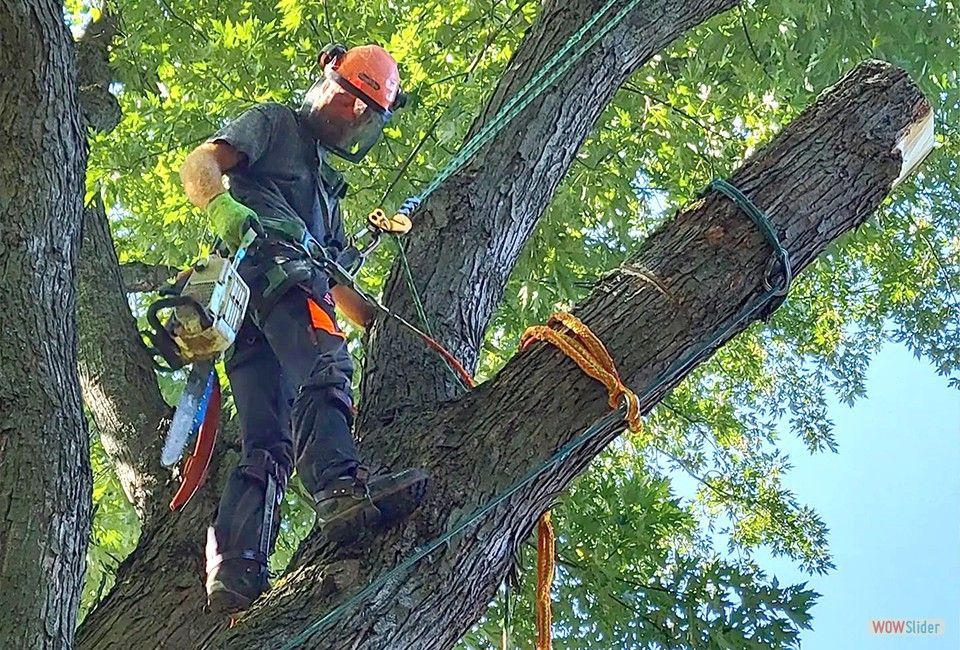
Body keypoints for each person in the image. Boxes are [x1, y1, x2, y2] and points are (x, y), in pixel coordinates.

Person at [179, 43, 428, 616]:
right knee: (327, 364)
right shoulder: (275, 125)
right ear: (328, 82)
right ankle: (340, 485)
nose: (351, 117)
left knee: (269, 443)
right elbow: (200, 165)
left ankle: (236, 569)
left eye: (364, 115)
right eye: (348, 102)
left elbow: (344, 296)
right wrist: (222, 207)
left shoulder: (327, 197)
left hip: (269, 306)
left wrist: (386, 316)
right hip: (263, 277)